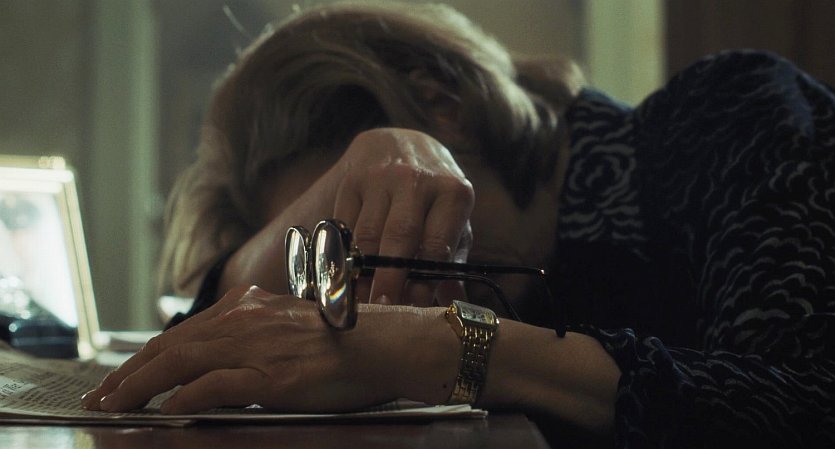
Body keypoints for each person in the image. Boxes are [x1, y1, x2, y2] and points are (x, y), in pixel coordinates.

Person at [81, 2, 835, 448]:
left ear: (444, 105)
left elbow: (804, 406)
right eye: (331, 261)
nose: (374, 300)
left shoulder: (733, 112)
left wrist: (450, 346)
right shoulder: (531, 283)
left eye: (367, 221)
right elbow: (214, 325)